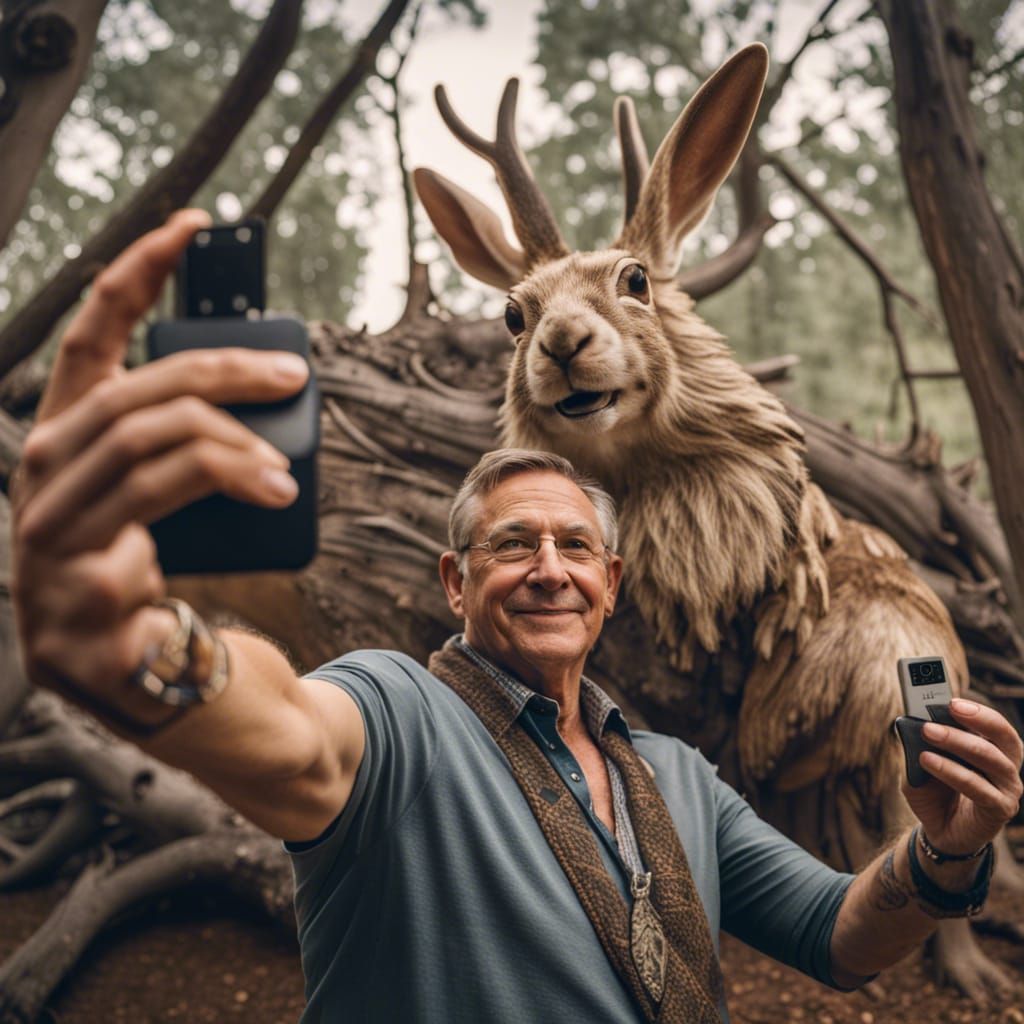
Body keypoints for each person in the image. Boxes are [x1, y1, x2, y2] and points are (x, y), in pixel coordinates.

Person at [11, 212, 1023, 1023]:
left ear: (612, 583)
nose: (548, 569)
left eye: (575, 546)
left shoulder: (678, 778)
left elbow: (839, 935)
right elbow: (285, 732)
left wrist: (946, 853)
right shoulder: (401, 716)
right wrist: (145, 652)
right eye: (511, 545)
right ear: (454, 583)